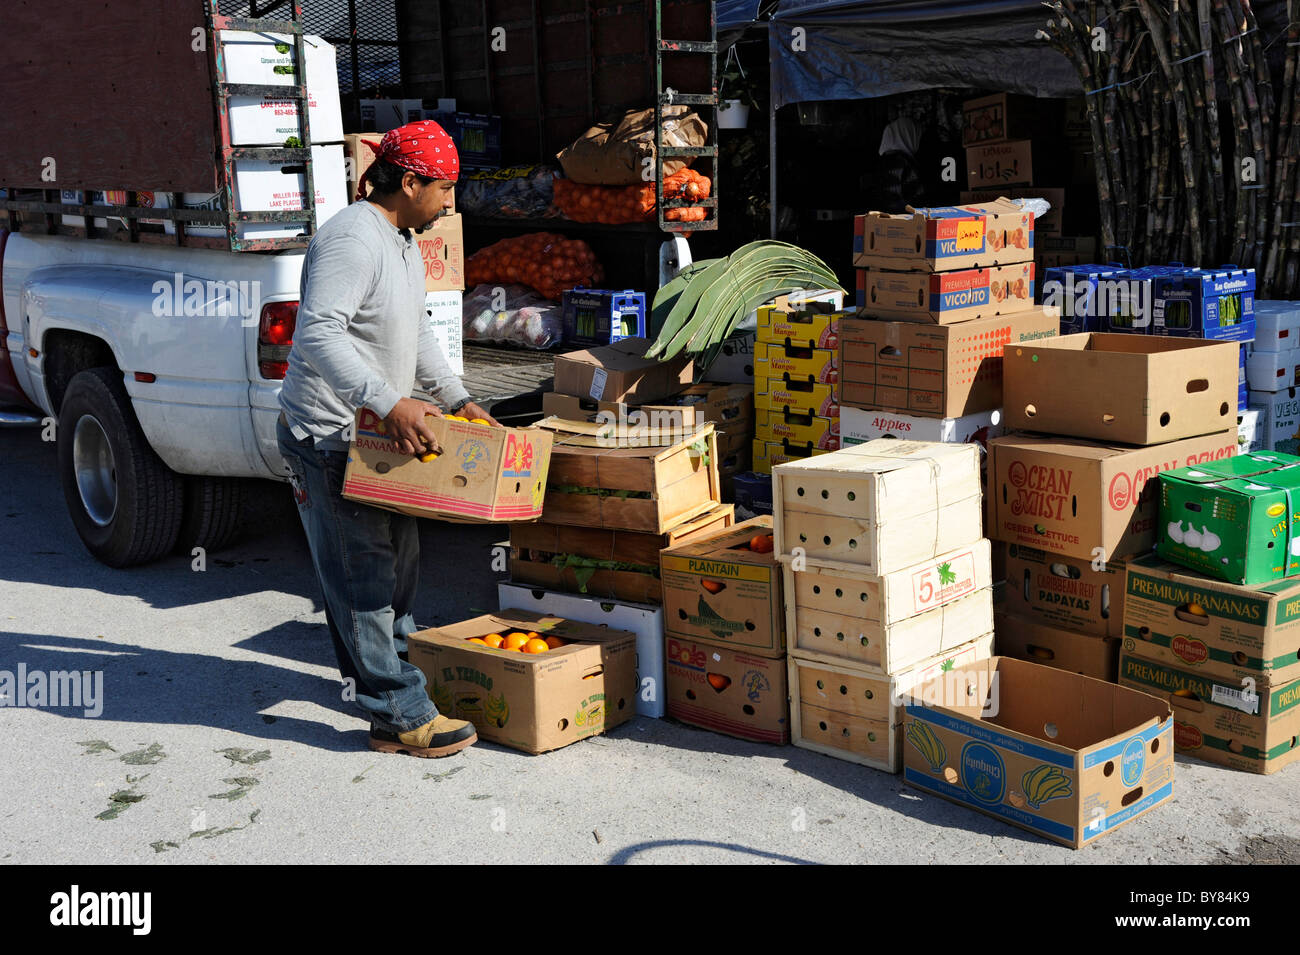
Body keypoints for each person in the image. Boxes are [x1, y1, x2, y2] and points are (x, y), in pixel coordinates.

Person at [276, 120, 497, 758]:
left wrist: (457, 398)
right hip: (328, 433)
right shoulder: (352, 239)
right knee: (362, 576)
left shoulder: (400, 239)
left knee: (397, 565)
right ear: (409, 181)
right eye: (445, 190)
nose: (450, 204)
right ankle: (399, 713)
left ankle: (383, 686)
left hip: (373, 438)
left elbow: (417, 334)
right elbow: (317, 335)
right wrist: (386, 400)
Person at [874, 116, 929, 213]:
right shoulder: (895, 162)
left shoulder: (897, 159)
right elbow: (893, 202)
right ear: (908, 135)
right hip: (905, 221)